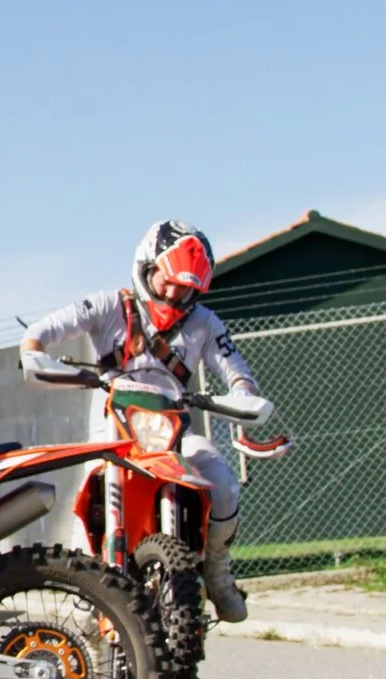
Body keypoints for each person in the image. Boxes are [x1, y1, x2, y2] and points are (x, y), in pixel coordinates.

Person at [17, 219, 265, 624]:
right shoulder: (108, 305)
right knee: (82, 531)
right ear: (147, 267)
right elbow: (43, 330)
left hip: (174, 435)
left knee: (221, 481)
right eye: (167, 281)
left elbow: (235, 369)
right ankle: (95, 626)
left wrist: (243, 392)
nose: (173, 293)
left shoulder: (204, 322)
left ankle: (217, 572)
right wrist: (34, 351)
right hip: (113, 434)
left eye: (186, 289)